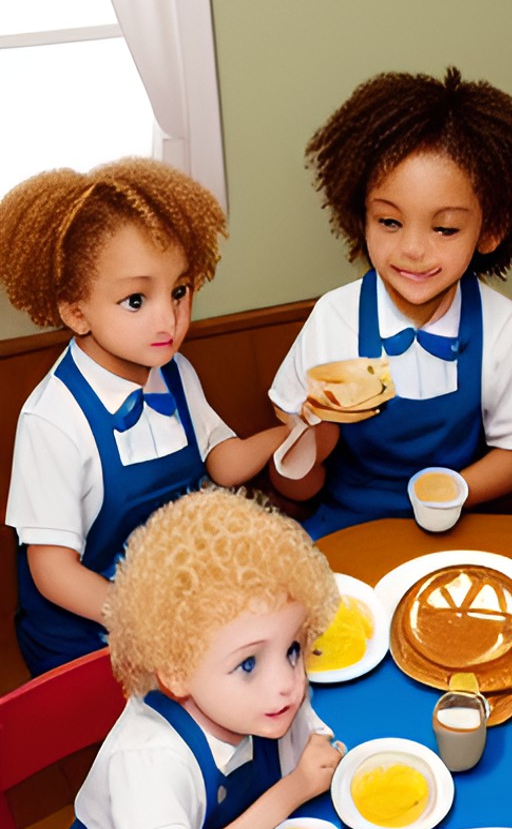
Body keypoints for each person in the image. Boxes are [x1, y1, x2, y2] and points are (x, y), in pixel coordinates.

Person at [0, 160, 294, 676]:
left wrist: (294, 431)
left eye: (179, 292)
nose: (170, 320)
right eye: (137, 300)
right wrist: (153, 622)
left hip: (174, 605)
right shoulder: (51, 420)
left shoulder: (174, 371)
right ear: (75, 310)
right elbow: (53, 573)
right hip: (88, 635)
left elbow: (222, 462)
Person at [268, 67, 512, 535]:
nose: (413, 250)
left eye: (445, 228)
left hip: (460, 522)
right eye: (390, 222)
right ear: (361, 216)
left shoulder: (504, 328)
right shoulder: (335, 318)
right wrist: (309, 434)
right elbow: (296, 479)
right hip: (349, 525)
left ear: (490, 230)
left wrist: (450, 493)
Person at [44, 487, 344, 829]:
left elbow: (305, 744)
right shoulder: (148, 757)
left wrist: (314, 753)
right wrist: (291, 791)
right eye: (248, 665)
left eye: (292, 650)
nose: (286, 684)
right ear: (178, 672)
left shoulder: (262, 703)